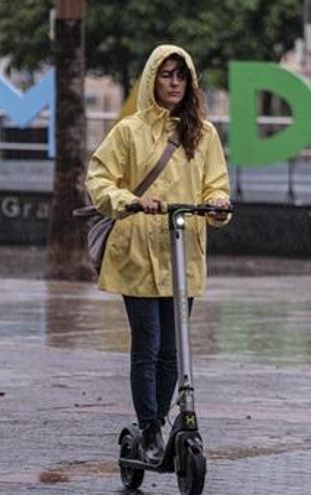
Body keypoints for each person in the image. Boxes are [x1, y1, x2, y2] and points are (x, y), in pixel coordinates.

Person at [85, 45, 232, 464]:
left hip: (182, 252)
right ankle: (149, 426)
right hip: (137, 252)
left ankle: (161, 423)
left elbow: (214, 183)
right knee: (147, 343)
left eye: (180, 76)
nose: (173, 83)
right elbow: (98, 180)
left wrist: (218, 202)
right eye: (166, 74)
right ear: (152, 78)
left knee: (174, 349)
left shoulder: (203, 133)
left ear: (190, 83)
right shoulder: (129, 131)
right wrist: (129, 199)